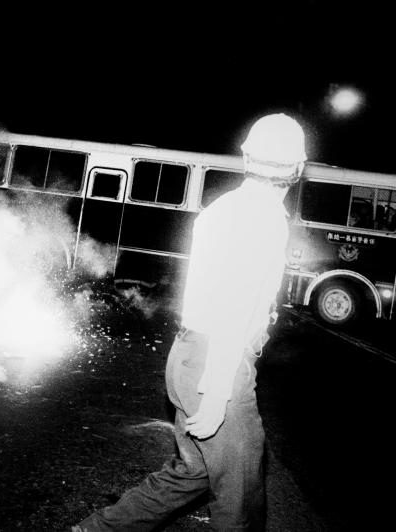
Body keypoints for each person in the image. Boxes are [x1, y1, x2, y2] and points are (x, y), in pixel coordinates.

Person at [72, 113, 307, 532]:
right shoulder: (265, 220)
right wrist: (218, 390)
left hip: (187, 355)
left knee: (193, 473)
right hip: (219, 365)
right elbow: (235, 305)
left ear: (245, 157)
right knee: (240, 503)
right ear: (299, 168)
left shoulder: (222, 209)